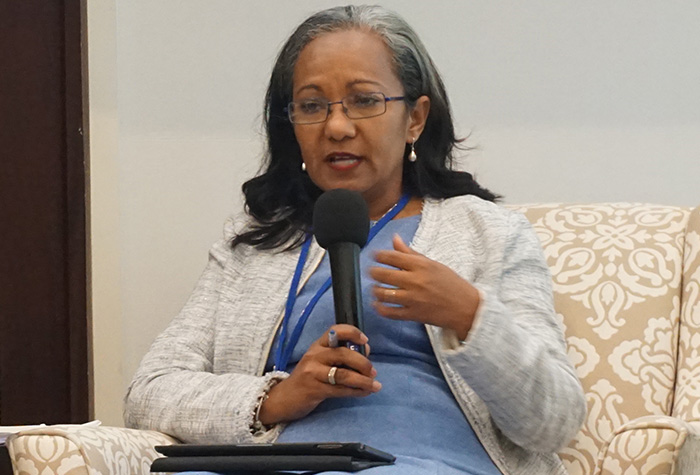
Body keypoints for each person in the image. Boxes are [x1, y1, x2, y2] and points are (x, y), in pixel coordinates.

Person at [124, 5, 586, 474]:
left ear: (415, 119)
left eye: (364, 101)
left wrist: (469, 315)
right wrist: (275, 398)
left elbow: (555, 421)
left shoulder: (487, 233)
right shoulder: (255, 244)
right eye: (311, 106)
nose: (336, 127)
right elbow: (150, 391)